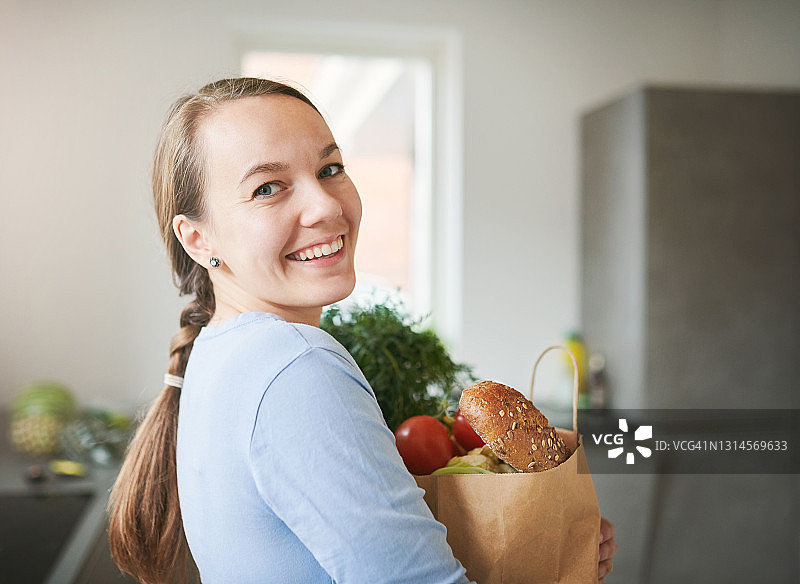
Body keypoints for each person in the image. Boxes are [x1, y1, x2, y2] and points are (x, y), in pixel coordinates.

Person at [107, 77, 616, 584]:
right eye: (267, 187)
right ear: (197, 238)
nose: (327, 206)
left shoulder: (218, 354)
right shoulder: (294, 363)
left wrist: (542, 551)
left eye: (330, 169)